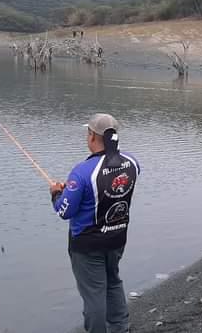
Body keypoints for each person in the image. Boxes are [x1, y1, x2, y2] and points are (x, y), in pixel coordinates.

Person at [49, 113, 140, 333]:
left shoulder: (82, 172)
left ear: (92, 136)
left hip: (87, 245)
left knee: (94, 294)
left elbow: (65, 211)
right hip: (117, 237)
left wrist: (56, 194)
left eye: (87, 132)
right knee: (113, 281)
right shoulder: (132, 163)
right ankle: (120, 328)